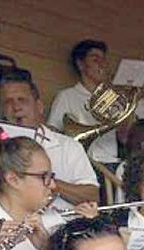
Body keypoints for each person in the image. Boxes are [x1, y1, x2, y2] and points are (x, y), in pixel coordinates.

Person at [0, 68, 99, 211]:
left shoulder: (68, 146)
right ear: (2, 110)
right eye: (8, 102)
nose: (16, 107)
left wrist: (46, 181)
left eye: (22, 100)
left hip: (63, 222)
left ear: (39, 106)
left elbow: (92, 195)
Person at [48, 39, 119, 167]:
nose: (102, 65)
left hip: (111, 162)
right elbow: (53, 131)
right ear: (80, 64)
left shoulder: (113, 98)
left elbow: (124, 137)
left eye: (104, 60)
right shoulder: (67, 96)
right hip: (81, 162)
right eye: (96, 60)